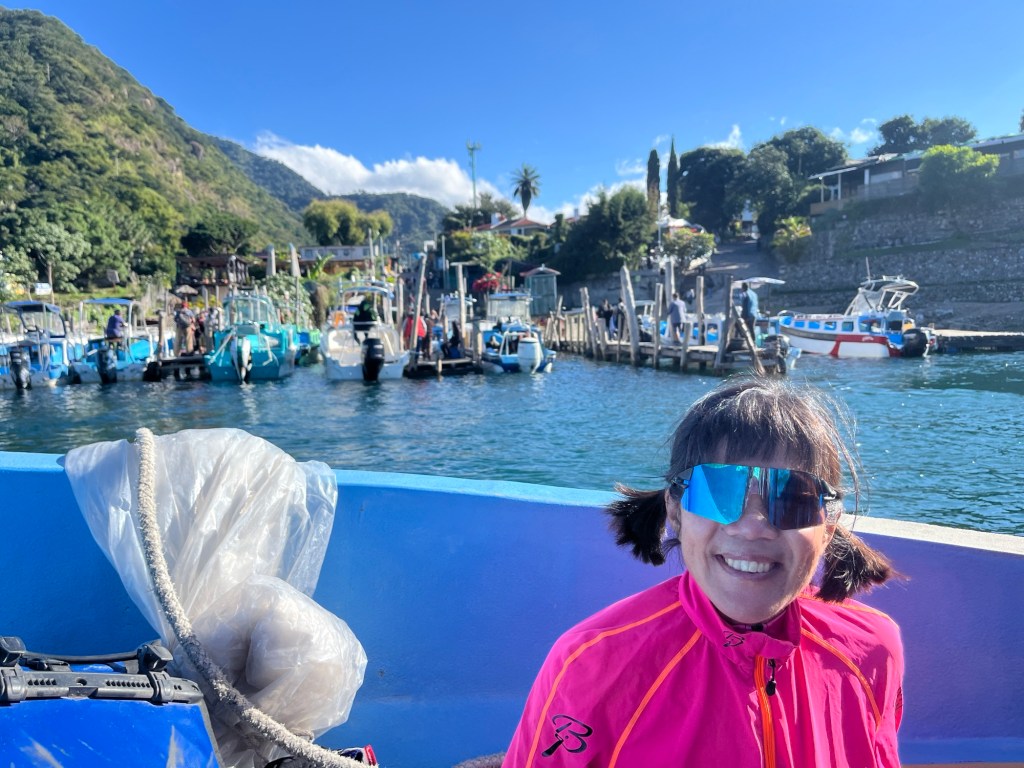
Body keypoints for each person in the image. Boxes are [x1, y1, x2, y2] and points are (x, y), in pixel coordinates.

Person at [504, 377, 903, 767]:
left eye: (792, 498)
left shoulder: (872, 648)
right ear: (675, 512)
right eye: (718, 490)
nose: (752, 527)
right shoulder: (591, 666)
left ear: (827, 526)